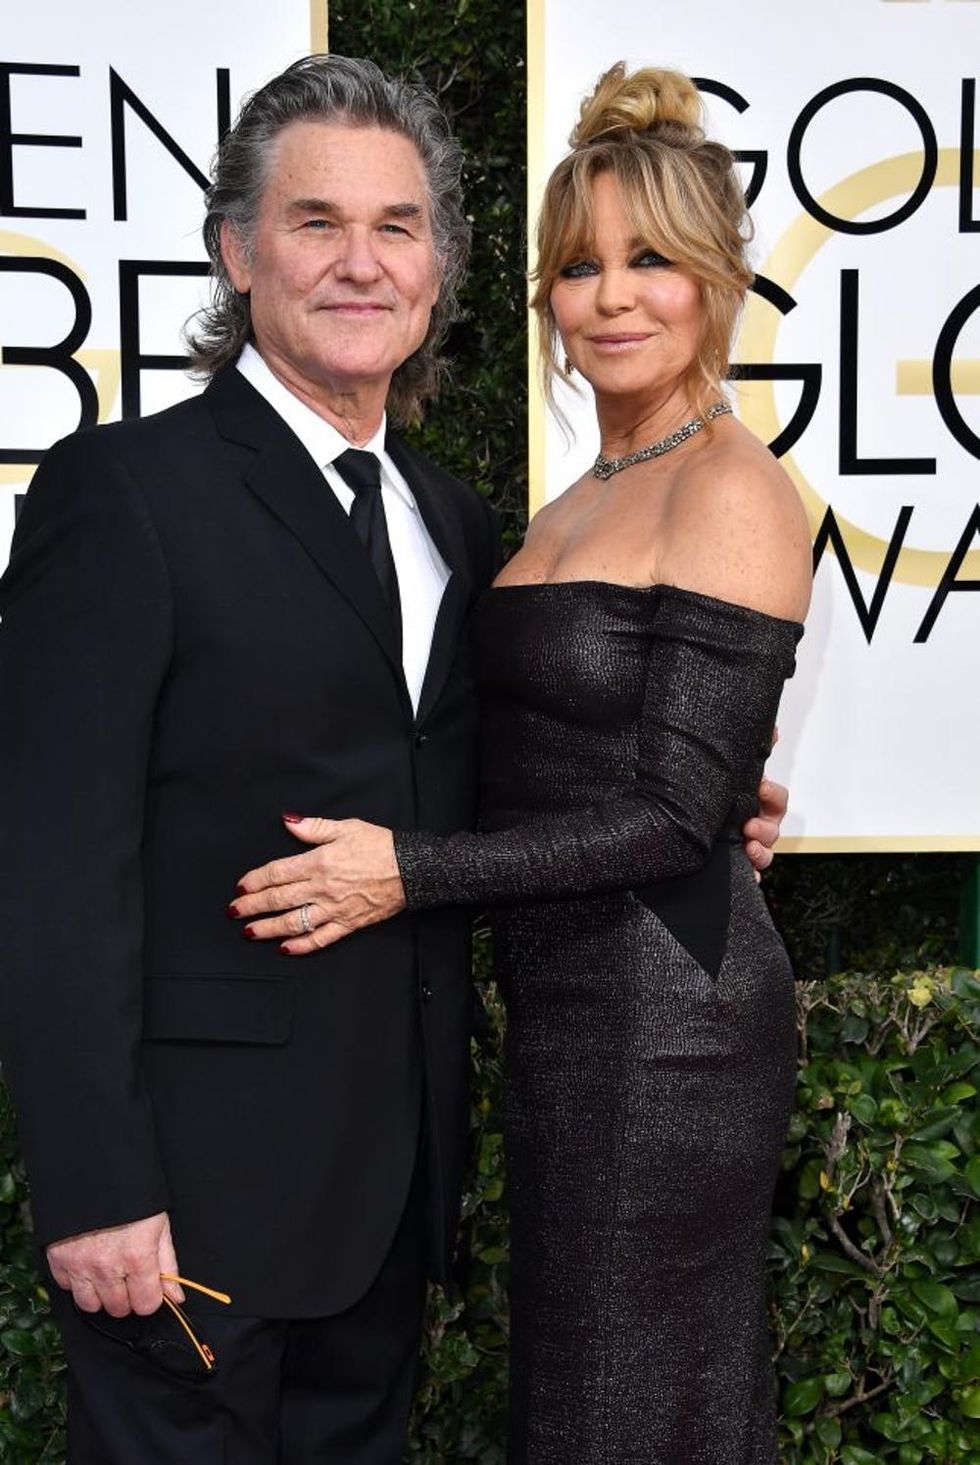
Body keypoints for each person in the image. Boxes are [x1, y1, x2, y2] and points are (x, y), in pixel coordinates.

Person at [0, 53, 785, 1461]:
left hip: (386, 1211)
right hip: (187, 1207)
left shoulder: (460, 522)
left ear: (440, 274)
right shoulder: (123, 493)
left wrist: (707, 799)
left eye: (398, 227)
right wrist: (96, 1185)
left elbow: (492, 783)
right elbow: (51, 862)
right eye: (316, 224)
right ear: (240, 253)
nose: (360, 263)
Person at [230, 64, 811, 1463]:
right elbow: (562, 751)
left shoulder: (734, 486)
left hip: (669, 1021)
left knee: (622, 1410)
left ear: (718, 281)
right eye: (579, 265)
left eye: (653, 261)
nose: (611, 297)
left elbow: (670, 817)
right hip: (571, 997)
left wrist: (404, 872)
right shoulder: (569, 500)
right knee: (581, 1393)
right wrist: (723, 789)